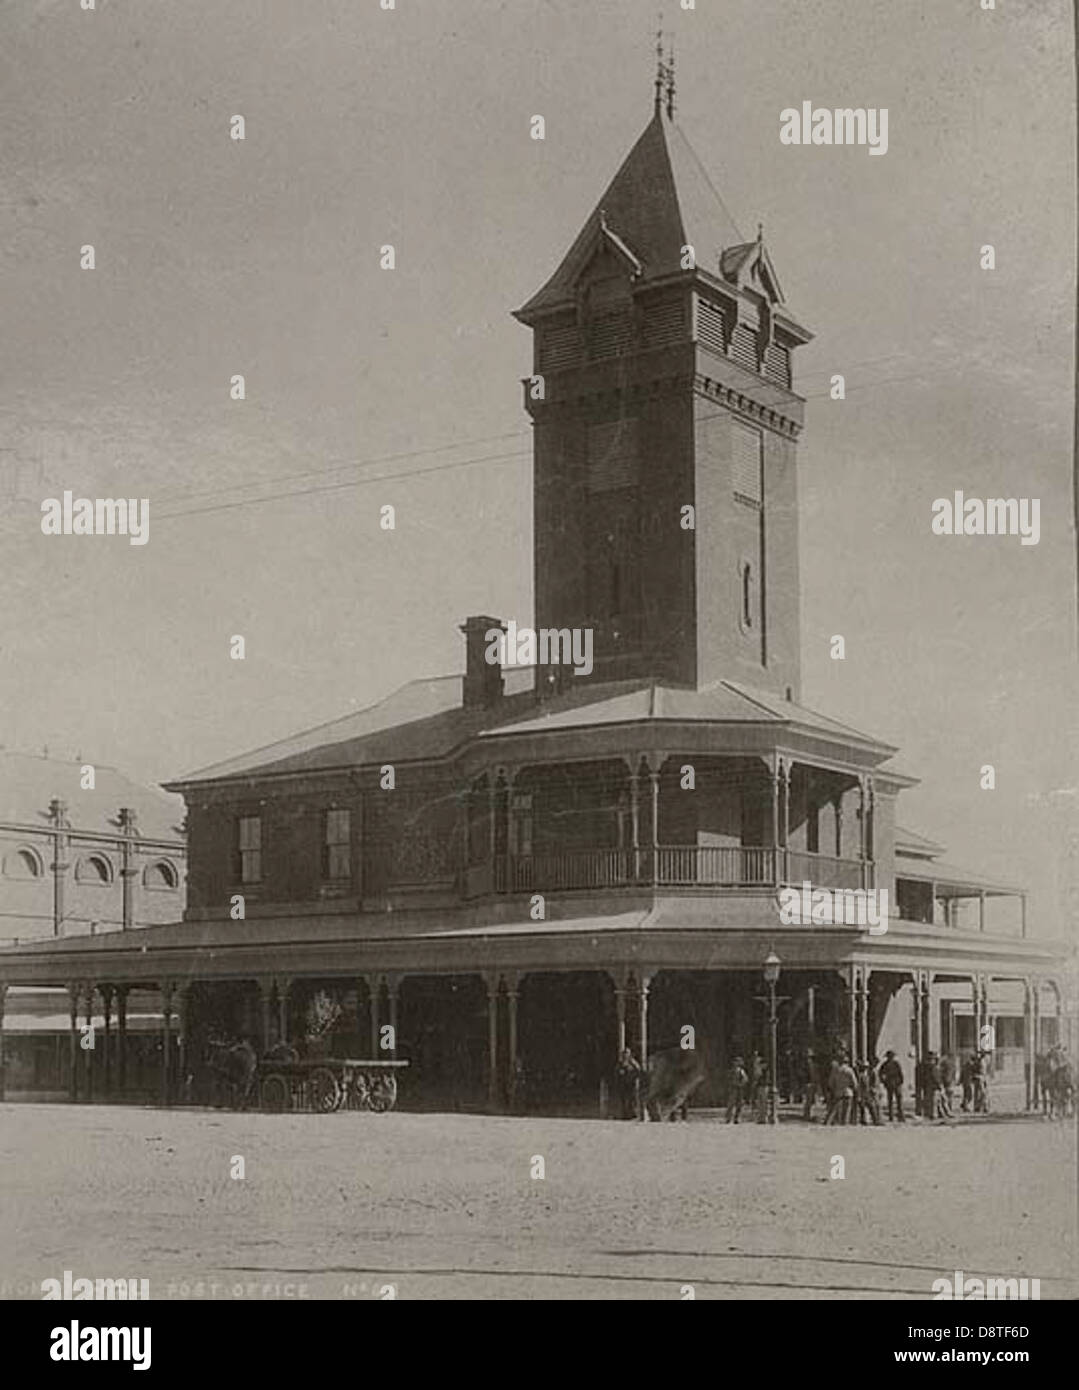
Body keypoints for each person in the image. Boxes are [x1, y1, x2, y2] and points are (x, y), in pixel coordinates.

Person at [615, 1047, 643, 1121]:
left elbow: (639, 1071)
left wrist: (636, 1079)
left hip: (632, 1085)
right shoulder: (620, 1063)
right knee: (623, 1100)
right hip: (623, 1085)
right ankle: (624, 1114)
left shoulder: (633, 1063)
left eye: (627, 1054)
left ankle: (634, 1114)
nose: (625, 1056)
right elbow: (616, 1073)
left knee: (633, 1100)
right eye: (624, 1054)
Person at [879, 1050, 905, 1122]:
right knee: (891, 1101)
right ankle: (892, 1116)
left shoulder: (896, 1064)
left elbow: (900, 1074)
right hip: (890, 1084)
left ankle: (900, 1116)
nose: (891, 1058)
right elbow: (880, 1074)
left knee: (898, 1101)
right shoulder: (884, 1065)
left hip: (896, 1084)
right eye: (890, 1056)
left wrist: (900, 1083)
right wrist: (884, 1082)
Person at [858, 1058, 882, 1126]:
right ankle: (874, 1120)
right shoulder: (863, 1075)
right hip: (866, 1092)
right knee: (871, 1106)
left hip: (869, 1092)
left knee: (871, 1106)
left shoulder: (869, 1073)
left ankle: (875, 1120)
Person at [726, 1055, 748, 1123]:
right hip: (733, 1089)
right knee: (731, 1104)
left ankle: (737, 1118)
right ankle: (729, 1118)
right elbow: (728, 1079)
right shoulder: (731, 1071)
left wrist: (740, 1084)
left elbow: (745, 1079)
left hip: (739, 1089)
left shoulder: (741, 1071)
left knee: (739, 1104)